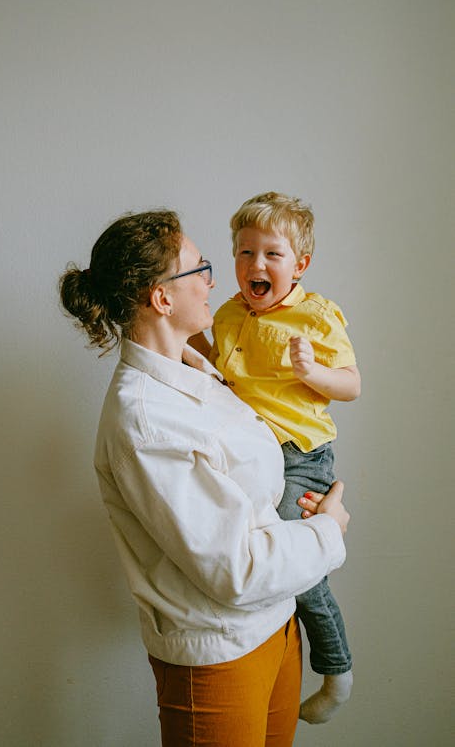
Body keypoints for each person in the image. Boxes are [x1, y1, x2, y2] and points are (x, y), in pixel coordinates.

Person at [59, 209, 350, 747]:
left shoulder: (207, 373)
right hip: (221, 657)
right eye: (200, 267)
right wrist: (328, 529)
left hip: (279, 629)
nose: (216, 280)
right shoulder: (145, 419)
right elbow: (233, 569)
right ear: (162, 298)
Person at [191, 192, 360, 725]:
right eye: (244, 253)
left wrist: (312, 373)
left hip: (299, 455)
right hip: (250, 450)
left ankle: (337, 670)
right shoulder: (227, 314)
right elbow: (220, 373)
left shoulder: (316, 315)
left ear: (300, 265)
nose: (255, 265)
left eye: (272, 254)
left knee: (297, 553)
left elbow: (352, 385)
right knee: (244, 545)